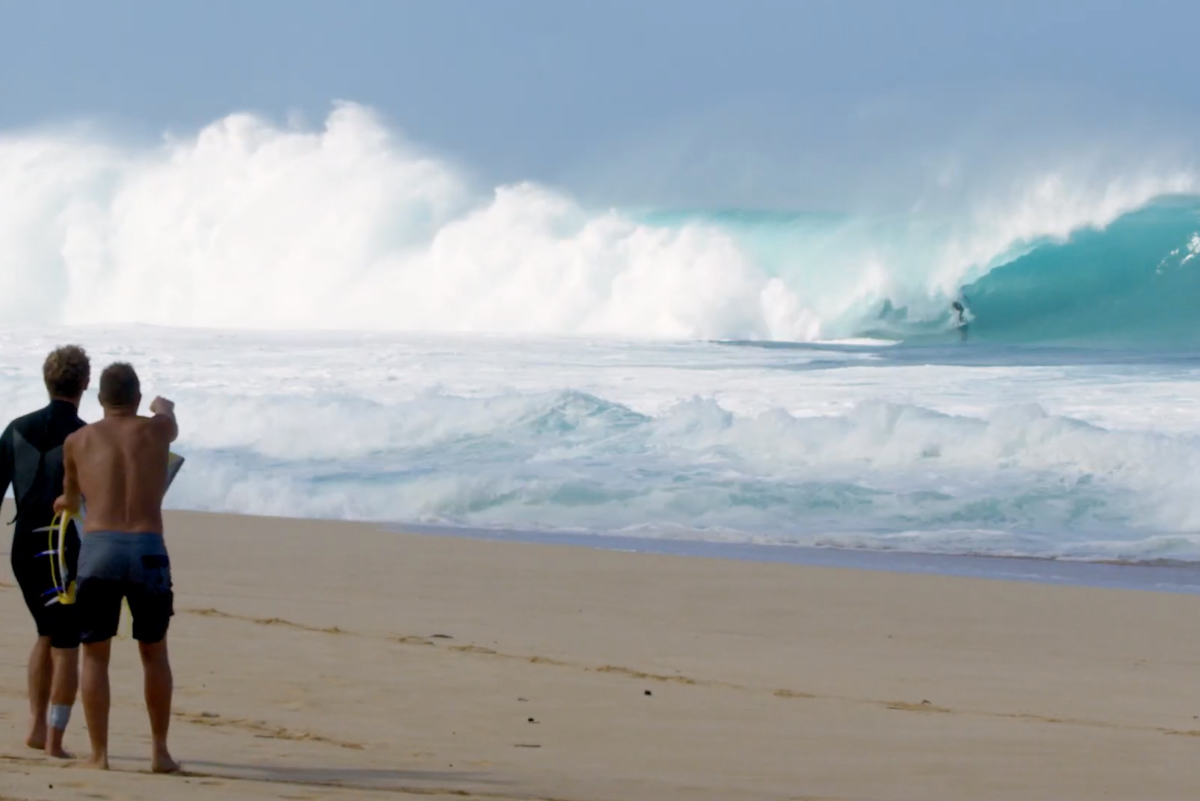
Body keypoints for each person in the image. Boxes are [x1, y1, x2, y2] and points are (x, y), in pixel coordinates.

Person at [55, 362, 180, 773]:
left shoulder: (77, 441)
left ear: (100, 399)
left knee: (95, 656)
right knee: (153, 652)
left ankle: (100, 755)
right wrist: (163, 407)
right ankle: (159, 752)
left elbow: (71, 500)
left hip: (101, 550)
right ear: (137, 398)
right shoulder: (157, 430)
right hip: (147, 547)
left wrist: (63, 505)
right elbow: (168, 420)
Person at [0, 346, 90, 758]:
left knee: (46, 631)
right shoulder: (88, 437)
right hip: (61, 551)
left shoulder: (15, 429)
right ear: (84, 384)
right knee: (65, 639)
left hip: (22, 550)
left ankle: (38, 728)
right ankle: (50, 736)